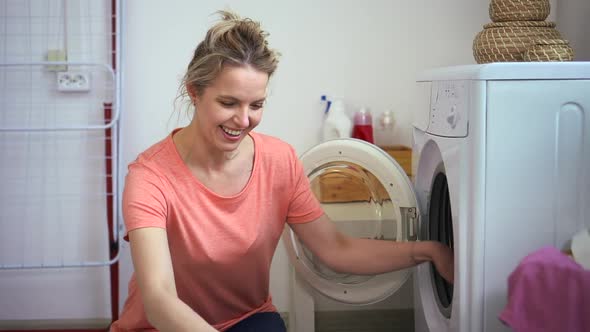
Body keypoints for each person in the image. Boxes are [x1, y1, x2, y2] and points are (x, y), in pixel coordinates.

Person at [110, 9, 454, 332]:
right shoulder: (150, 176)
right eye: (228, 103)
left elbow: (336, 248)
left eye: (256, 105)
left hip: (247, 320)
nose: (243, 120)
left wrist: (427, 251)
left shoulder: (279, 161)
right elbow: (158, 299)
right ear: (194, 93)